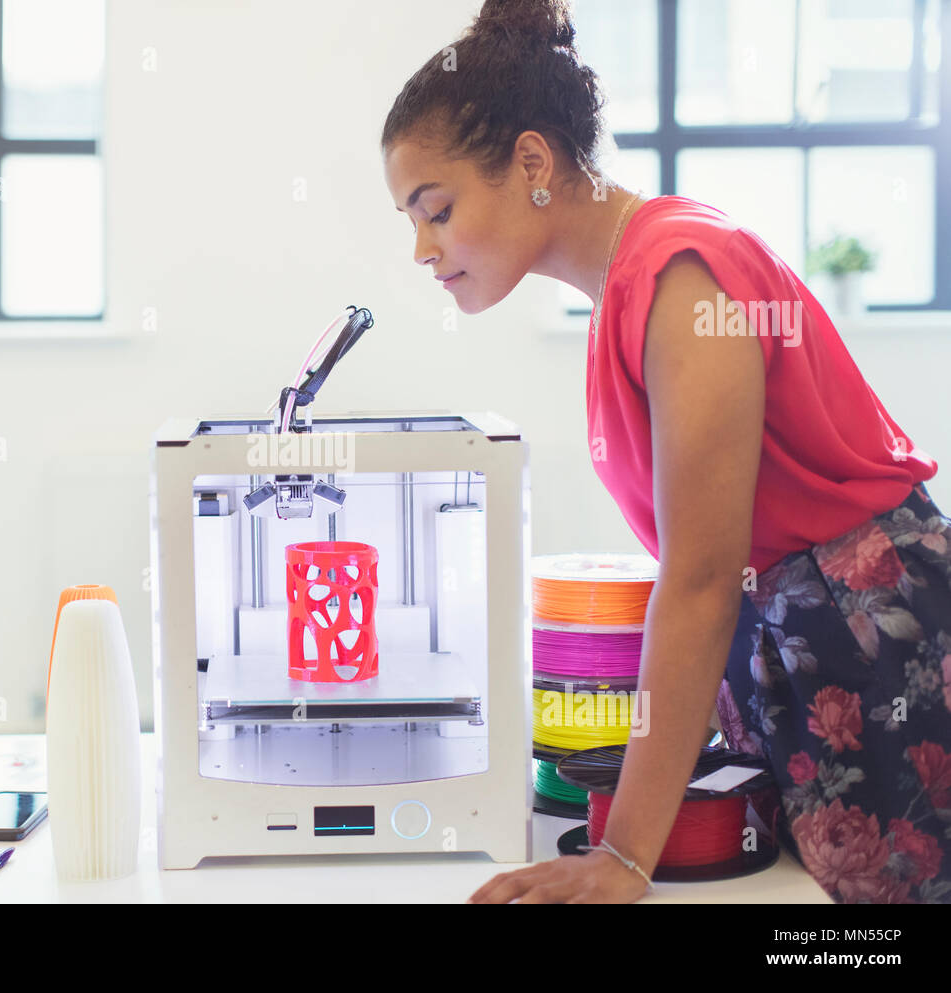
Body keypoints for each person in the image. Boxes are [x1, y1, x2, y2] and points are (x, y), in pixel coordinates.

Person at [381, 0, 950, 904]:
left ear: (532, 162)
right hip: (802, 664)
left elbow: (701, 577)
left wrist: (624, 856)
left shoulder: (684, 275)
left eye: (436, 210)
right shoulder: (626, 289)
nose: (421, 247)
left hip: (876, 657)